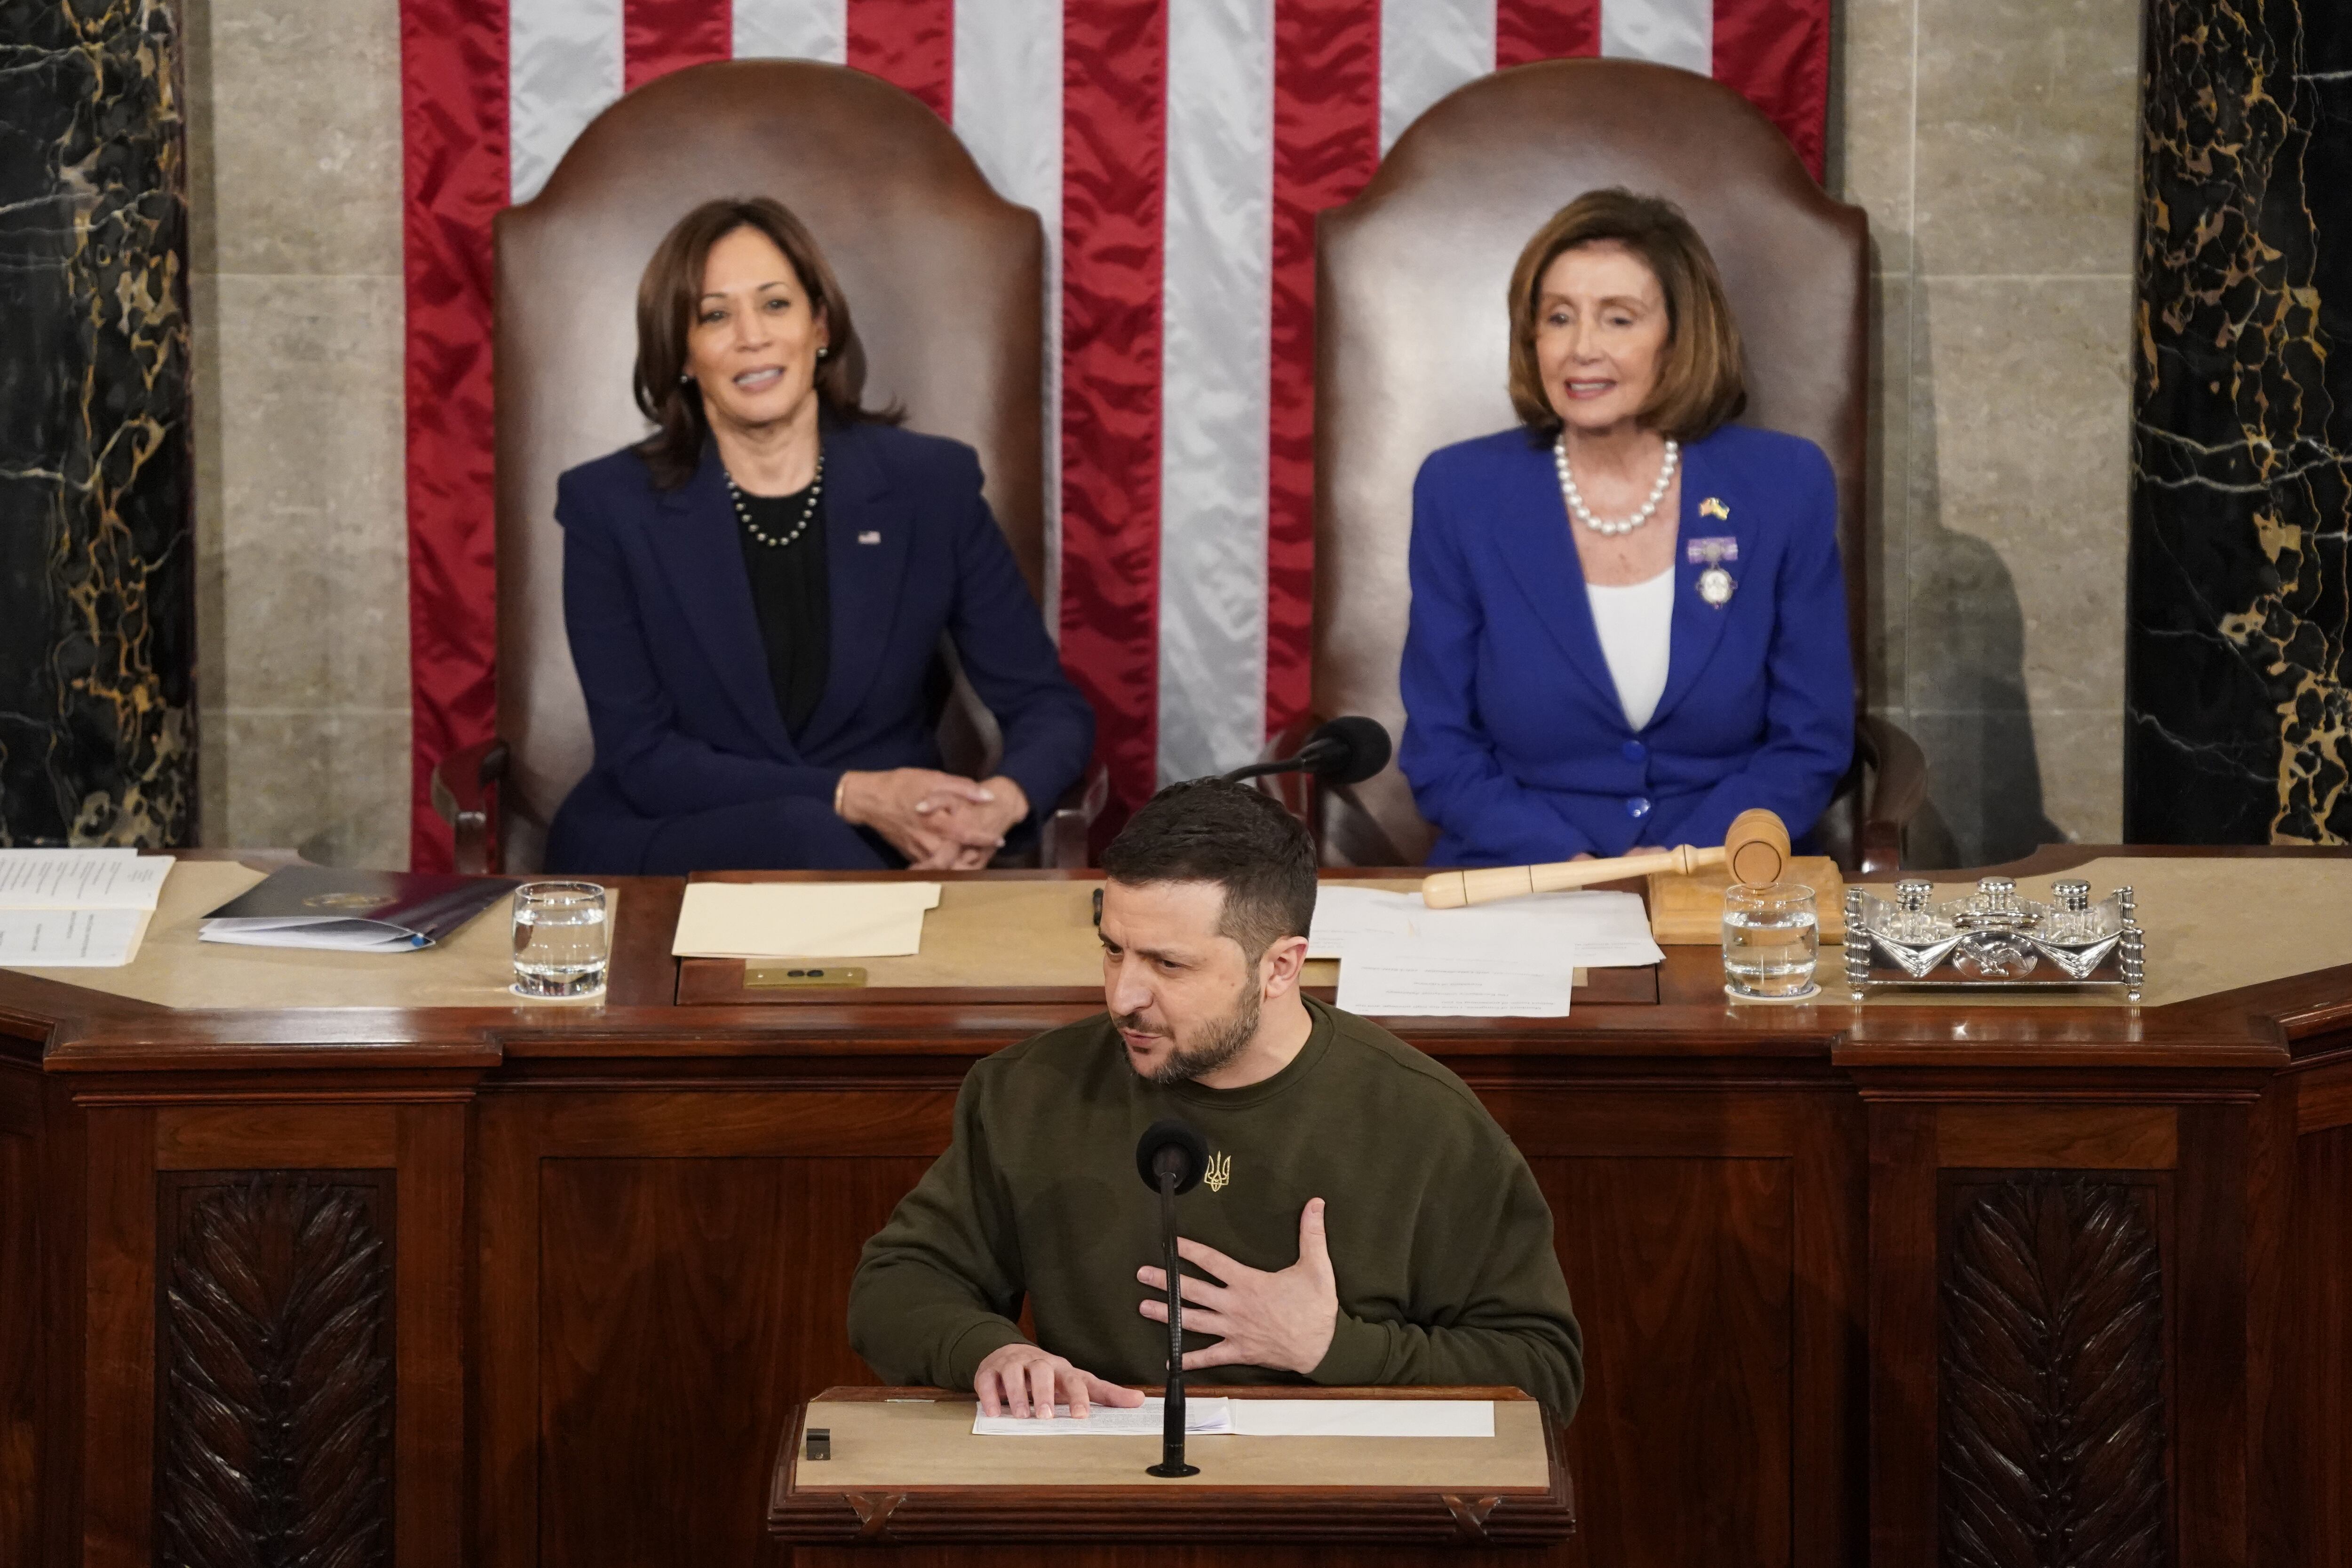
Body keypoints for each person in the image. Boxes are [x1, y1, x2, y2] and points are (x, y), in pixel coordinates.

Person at [847, 779, 1583, 1423]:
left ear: (1280, 967)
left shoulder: (1425, 1121)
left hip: (1336, 1519)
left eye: (1169, 963)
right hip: (1100, 1505)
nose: (1123, 995)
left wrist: (1336, 1347)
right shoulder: (1031, 1090)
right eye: (1113, 949)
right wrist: (993, 1350)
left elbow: (1545, 1372)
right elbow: (897, 1283)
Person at [545, 197, 1094, 874]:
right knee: (809, 837)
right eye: (715, 315)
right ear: (683, 354)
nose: (753, 336)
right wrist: (850, 796)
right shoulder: (607, 506)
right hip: (676, 845)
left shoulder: (931, 487)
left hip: (889, 850)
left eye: (776, 304)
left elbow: (1046, 706)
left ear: (821, 326)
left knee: (832, 858)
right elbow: (642, 757)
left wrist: (998, 804)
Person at [1398, 189, 1855, 868]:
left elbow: (1811, 739)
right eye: (1558, 318)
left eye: (1619, 319)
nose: (1582, 349)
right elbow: (1440, 746)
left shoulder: (1784, 485)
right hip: (1521, 879)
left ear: (1678, 337)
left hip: (1726, 878)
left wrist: (1674, 865)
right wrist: (1569, 864)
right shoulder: (1460, 491)